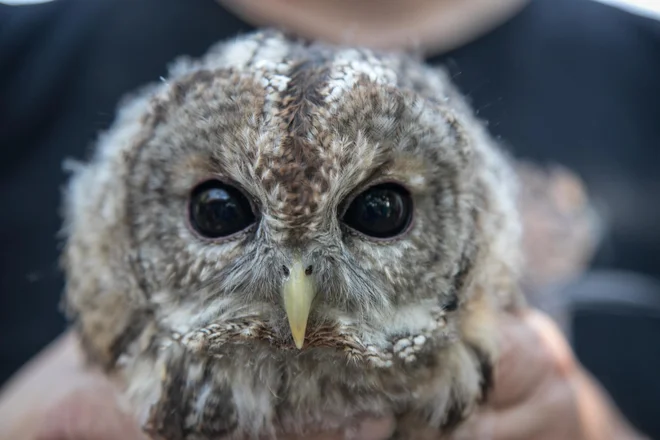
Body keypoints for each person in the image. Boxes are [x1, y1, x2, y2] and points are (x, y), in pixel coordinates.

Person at [0, 0, 658, 438]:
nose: (298, 287)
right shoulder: (22, 58)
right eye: (219, 210)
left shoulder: (641, 68)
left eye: (380, 211)